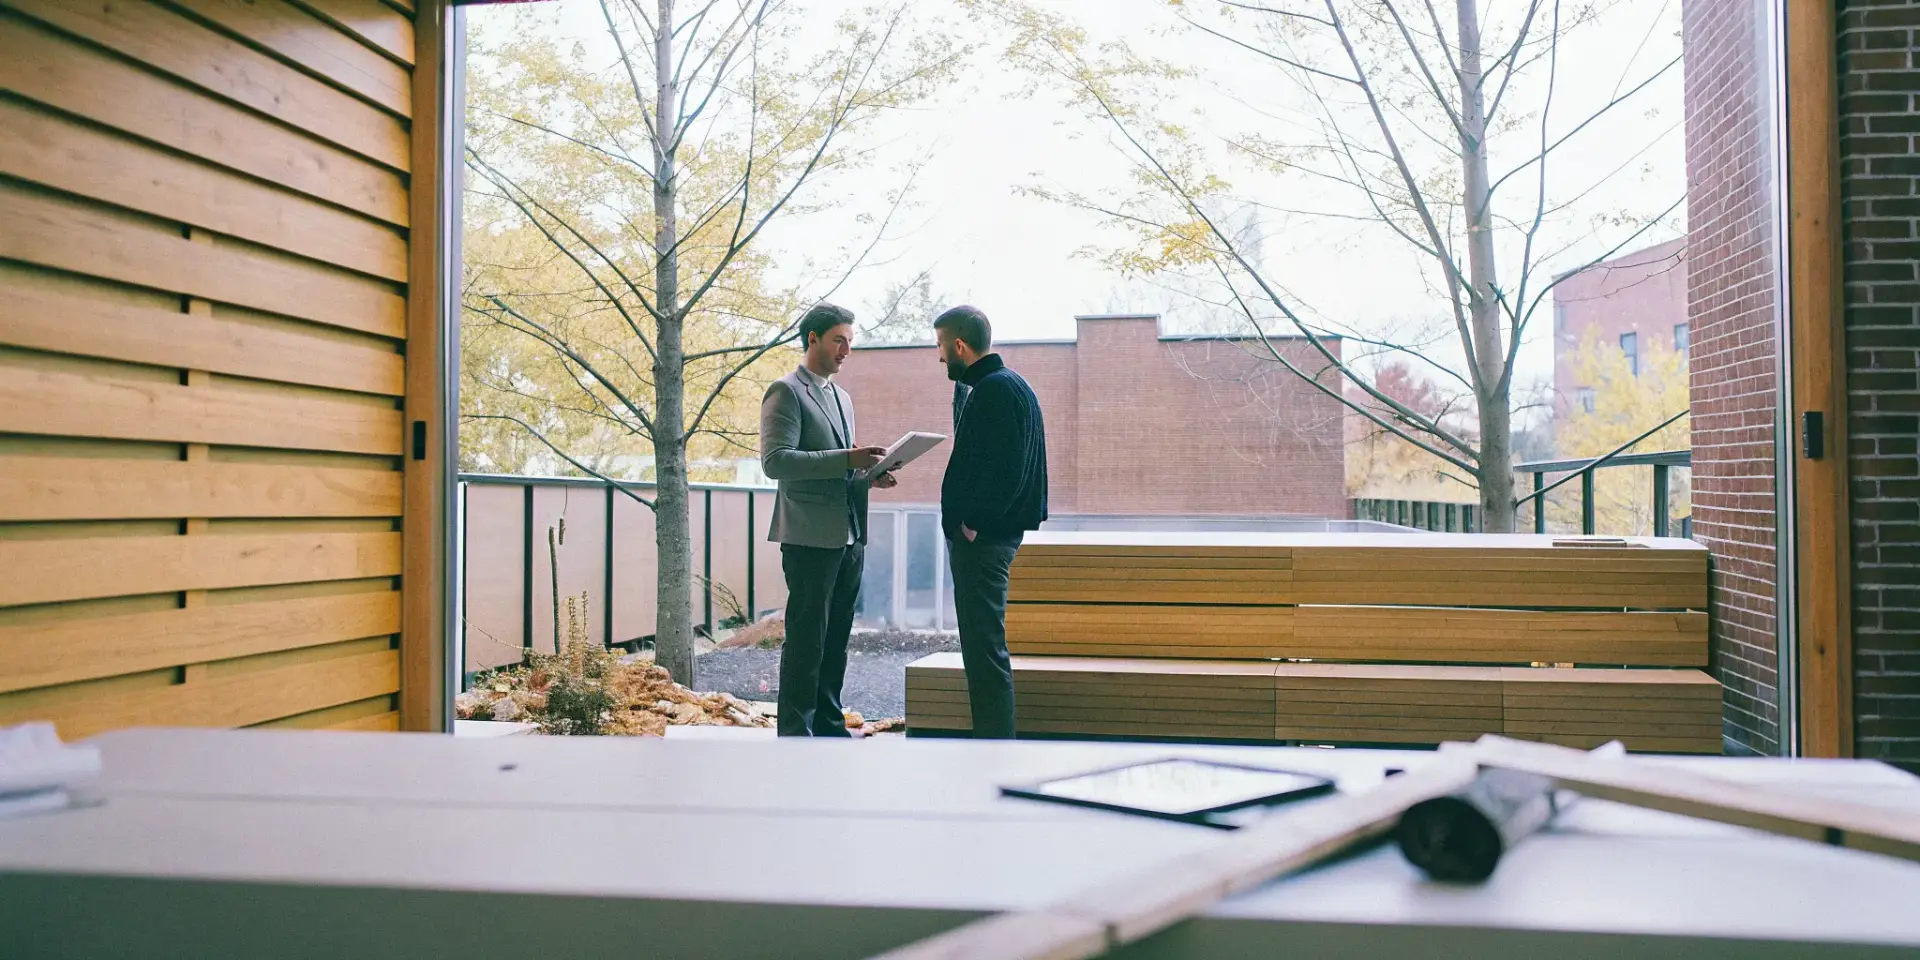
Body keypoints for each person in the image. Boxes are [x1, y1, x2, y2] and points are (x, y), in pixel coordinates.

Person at [759, 303, 897, 737]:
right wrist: (847, 459)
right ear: (813, 338)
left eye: (850, 342)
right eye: (839, 340)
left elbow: (840, 466)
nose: (846, 351)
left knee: (836, 638)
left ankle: (829, 726)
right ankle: (795, 733)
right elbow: (776, 462)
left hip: (849, 535)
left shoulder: (842, 398)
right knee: (807, 641)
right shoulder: (785, 391)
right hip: (808, 537)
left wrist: (868, 474)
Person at [934, 304, 1048, 739]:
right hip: (992, 536)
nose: (940, 356)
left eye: (942, 346)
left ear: (960, 346)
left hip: (984, 542)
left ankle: (993, 748)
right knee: (985, 649)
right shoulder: (1010, 385)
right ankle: (992, 745)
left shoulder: (993, 390)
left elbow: (1006, 471)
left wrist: (972, 524)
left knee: (983, 652)